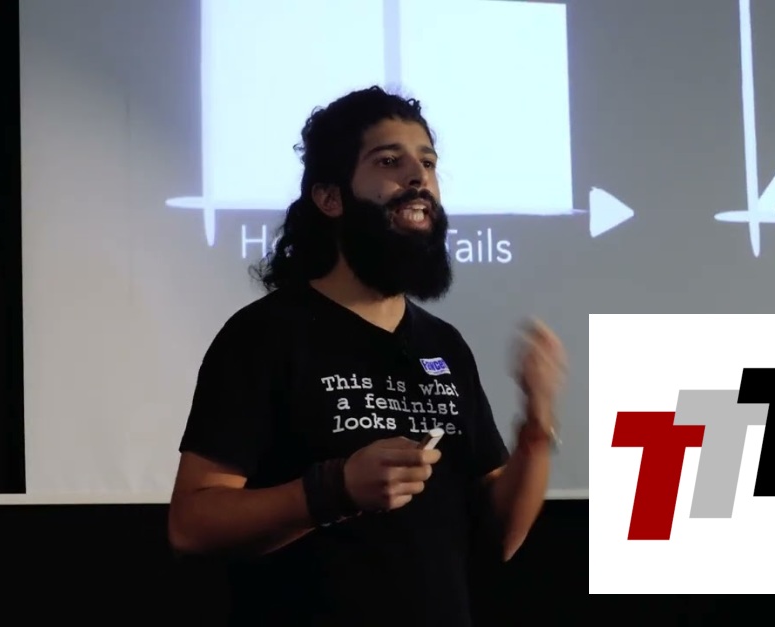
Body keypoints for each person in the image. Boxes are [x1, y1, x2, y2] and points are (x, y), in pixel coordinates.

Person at [168, 86, 567, 627]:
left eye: (427, 162)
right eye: (388, 161)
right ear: (330, 198)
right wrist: (335, 490)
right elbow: (192, 524)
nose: (418, 176)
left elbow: (500, 539)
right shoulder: (264, 335)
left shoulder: (444, 345)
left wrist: (536, 429)